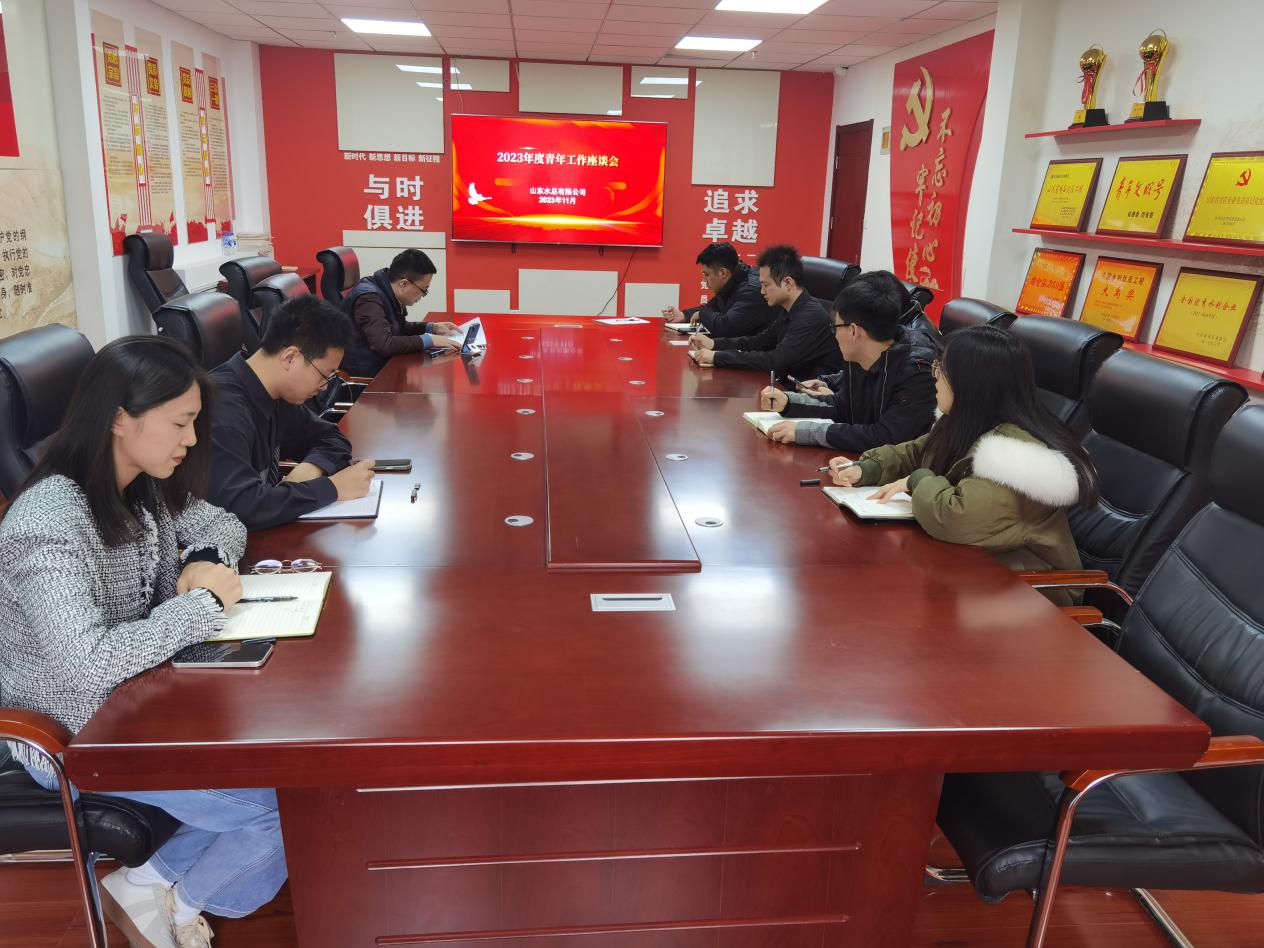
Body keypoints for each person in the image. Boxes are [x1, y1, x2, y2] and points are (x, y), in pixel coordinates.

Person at [0, 335, 282, 948]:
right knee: (285, 808)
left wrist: (205, 558)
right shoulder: (46, 522)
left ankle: (151, 887)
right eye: (180, 423)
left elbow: (221, 521)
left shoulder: (135, 486)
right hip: (75, 736)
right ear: (119, 418)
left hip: (144, 708)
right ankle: (182, 899)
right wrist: (201, 606)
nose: (191, 439)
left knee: (284, 778)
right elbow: (85, 665)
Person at [826, 325, 1096, 597]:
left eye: (942, 368)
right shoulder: (968, 421)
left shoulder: (1013, 458)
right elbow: (920, 452)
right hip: (976, 571)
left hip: (1033, 591)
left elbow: (955, 517)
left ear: (971, 382)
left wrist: (917, 480)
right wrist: (869, 468)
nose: (934, 375)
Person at [209, 294, 375, 529]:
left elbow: (332, 438)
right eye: (325, 375)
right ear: (290, 358)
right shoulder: (223, 409)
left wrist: (311, 468)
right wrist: (333, 488)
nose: (325, 387)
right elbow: (242, 507)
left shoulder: (275, 393)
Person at [758, 271, 940, 449]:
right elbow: (843, 406)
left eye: (835, 327)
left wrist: (806, 432)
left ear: (853, 331)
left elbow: (884, 437)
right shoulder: (861, 354)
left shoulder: (917, 370)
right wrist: (789, 402)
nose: (835, 335)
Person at [688, 244, 843, 380]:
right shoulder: (790, 309)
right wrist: (715, 344)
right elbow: (759, 342)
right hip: (785, 388)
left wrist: (718, 357)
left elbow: (775, 361)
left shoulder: (809, 317)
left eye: (766, 285)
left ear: (788, 283)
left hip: (811, 394)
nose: (762, 291)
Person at [340, 248, 460, 377]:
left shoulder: (387, 289)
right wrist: (428, 340)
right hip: (367, 378)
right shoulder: (369, 299)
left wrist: (431, 327)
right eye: (423, 290)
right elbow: (384, 344)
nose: (422, 295)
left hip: (384, 367)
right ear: (404, 284)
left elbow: (396, 326)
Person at [660, 241, 773, 336]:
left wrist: (702, 314)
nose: (704, 280)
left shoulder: (751, 291)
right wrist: (684, 315)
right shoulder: (733, 280)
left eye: (707, 274)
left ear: (723, 273)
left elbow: (725, 327)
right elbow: (712, 307)